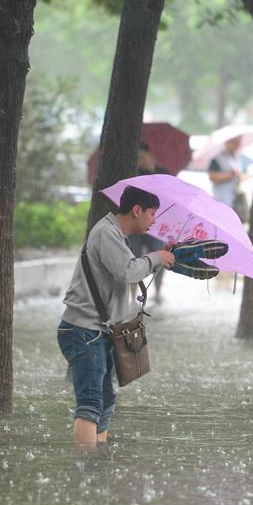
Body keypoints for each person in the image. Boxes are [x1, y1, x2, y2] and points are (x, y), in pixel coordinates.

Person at [57, 187, 175, 447]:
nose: (154, 220)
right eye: (152, 213)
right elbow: (127, 272)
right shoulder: (107, 232)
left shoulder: (117, 235)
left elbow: (125, 279)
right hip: (83, 331)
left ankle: (98, 461)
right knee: (90, 401)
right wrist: (155, 257)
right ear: (136, 210)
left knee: (106, 399)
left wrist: (159, 259)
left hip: (98, 331)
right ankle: (85, 468)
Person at [129, 142, 168, 301]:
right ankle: (132, 296)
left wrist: (151, 170)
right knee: (133, 257)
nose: (140, 160)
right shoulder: (132, 173)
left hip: (157, 223)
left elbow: (168, 195)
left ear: (150, 156)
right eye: (137, 158)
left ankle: (157, 293)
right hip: (135, 221)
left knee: (159, 257)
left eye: (142, 157)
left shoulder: (162, 173)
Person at [208, 135, 250, 221]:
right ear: (228, 141)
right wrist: (230, 175)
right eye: (234, 142)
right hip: (221, 199)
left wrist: (240, 176)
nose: (237, 145)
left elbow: (245, 174)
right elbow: (212, 177)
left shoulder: (240, 158)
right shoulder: (217, 159)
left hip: (236, 199)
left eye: (238, 142)